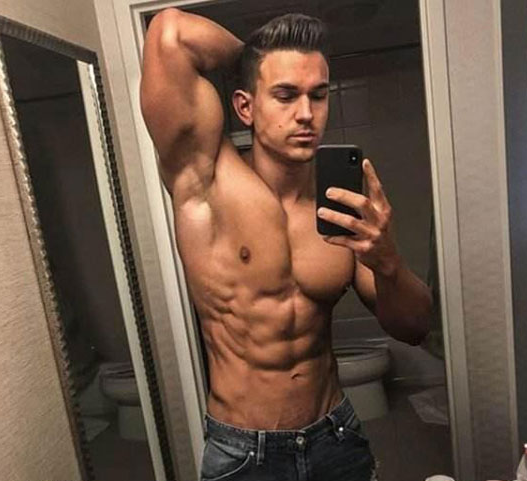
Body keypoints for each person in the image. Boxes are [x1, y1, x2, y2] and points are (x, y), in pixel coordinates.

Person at [140, 9, 433, 481]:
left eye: (318, 94)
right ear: (245, 107)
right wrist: (255, 59)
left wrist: (389, 262)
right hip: (244, 453)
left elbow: (415, 328)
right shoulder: (205, 180)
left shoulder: (341, 206)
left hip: (336, 437)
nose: (305, 114)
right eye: (284, 94)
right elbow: (169, 32)